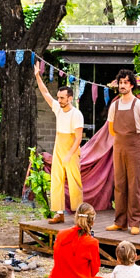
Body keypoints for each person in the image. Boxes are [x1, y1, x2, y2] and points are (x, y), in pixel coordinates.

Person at [105, 69, 140, 234]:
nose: (122, 85)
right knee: (119, 185)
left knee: (134, 185)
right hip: (118, 146)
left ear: (132, 85)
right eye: (120, 83)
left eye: (126, 82)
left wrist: (135, 141)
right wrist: (122, 140)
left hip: (134, 146)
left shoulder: (139, 104)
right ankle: (120, 221)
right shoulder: (114, 105)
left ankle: (135, 222)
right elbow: (112, 129)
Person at [34, 66, 83, 225]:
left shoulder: (76, 114)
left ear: (70, 98)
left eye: (62, 98)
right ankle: (59, 212)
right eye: (59, 97)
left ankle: (78, 214)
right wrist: (37, 76)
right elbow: (45, 93)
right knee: (57, 180)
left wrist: (70, 154)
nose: (59, 100)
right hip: (59, 147)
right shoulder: (58, 109)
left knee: (74, 182)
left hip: (71, 149)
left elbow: (78, 138)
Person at [47, 202, 108, 278]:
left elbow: (56, 258)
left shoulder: (61, 234)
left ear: (76, 217)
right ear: (92, 221)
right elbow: (94, 270)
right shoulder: (91, 242)